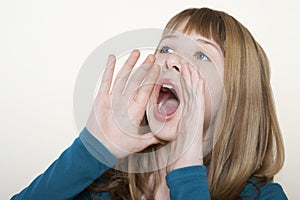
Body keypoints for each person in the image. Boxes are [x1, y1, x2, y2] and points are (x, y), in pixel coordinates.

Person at [11, 7, 288, 200]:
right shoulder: (105, 186)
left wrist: (187, 173)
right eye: (167, 48)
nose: (172, 61)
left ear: (236, 96)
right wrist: (92, 149)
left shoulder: (263, 196)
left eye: (202, 56)